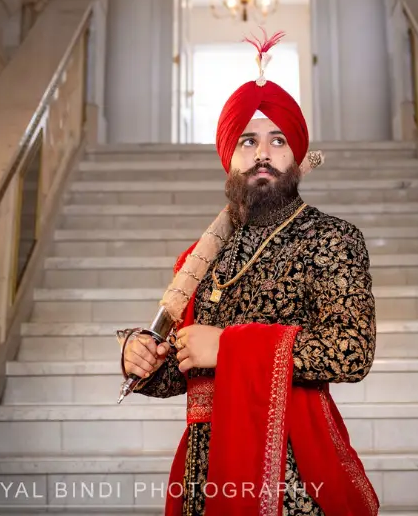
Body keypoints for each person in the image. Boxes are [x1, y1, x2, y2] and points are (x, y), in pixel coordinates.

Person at [119, 31, 380, 515]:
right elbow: (182, 372)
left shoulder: (331, 238)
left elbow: (352, 352)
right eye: (248, 140)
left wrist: (229, 344)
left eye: (278, 140)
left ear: (295, 155)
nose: (264, 153)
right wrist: (144, 357)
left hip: (292, 466)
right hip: (207, 470)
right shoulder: (198, 259)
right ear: (230, 157)